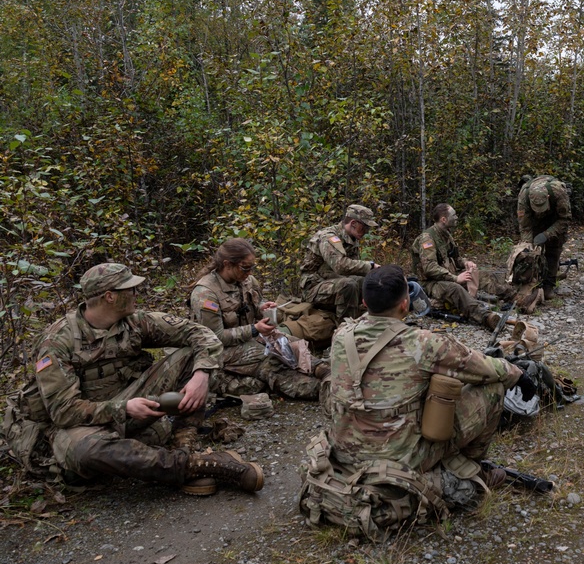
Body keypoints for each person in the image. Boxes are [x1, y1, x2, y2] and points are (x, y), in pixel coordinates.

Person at [3, 263, 263, 495]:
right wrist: (123, 408)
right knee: (86, 452)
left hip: (129, 404)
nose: (137, 294)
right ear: (109, 296)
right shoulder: (58, 342)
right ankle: (194, 466)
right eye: (131, 289)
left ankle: (185, 439)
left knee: (194, 356)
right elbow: (63, 412)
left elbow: (201, 334)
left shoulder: (135, 322)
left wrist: (201, 374)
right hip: (80, 423)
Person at [322, 266, 534, 497]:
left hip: (344, 449)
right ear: (405, 304)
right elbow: (483, 368)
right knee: (492, 388)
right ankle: (471, 469)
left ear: (364, 302)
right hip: (399, 457)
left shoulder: (342, 334)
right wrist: (517, 374)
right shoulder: (421, 343)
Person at [189, 239, 323, 400]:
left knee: (289, 343)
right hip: (218, 350)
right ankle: (318, 389)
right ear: (227, 264)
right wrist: (254, 329)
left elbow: (254, 302)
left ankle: (324, 370)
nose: (250, 272)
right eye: (245, 268)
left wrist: (262, 307)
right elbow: (215, 337)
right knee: (269, 357)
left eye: (252, 267)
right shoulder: (205, 293)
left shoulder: (247, 281)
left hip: (249, 337)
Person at [411, 204, 501, 331]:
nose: (457, 217)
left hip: (447, 277)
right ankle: (485, 317)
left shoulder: (446, 235)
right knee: (455, 288)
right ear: (444, 219)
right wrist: (455, 278)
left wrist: (466, 263)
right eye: (454, 215)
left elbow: (456, 258)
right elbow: (429, 268)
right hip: (430, 283)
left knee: (481, 275)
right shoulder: (427, 239)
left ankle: (516, 297)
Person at [298, 204, 380, 326]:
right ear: (353, 223)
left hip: (331, 280)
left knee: (366, 282)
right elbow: (340, 266)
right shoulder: (328, 237)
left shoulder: (351, 239)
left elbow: (353, 269)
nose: (366, 232)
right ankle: (345, 331)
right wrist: (370, 266)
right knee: (348, 285)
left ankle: (374, 323)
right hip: (313, 286)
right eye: (364, 228)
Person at [517, 174, 572, 300]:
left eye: (541, 207)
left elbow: (564, 219)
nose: (539, 210)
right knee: (530, 251)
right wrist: (528, 247)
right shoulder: (523, 196)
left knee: (554, 249)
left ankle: (549, 285)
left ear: (547, 197)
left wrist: (546, 234)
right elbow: (525, 227)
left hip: (555, 218)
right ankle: (532, 280)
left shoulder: (558, 192)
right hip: (535, 221)